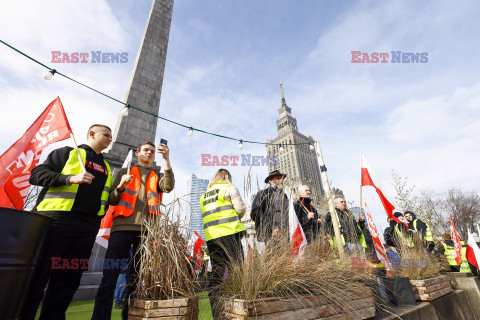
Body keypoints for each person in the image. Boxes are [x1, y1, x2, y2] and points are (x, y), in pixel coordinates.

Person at [20, 124, 113, 320]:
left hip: (87, 230)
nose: (109, 138)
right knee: (39, 275)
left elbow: (106, 198)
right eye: (106, 134)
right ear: (91, 134)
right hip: (56, 222)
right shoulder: (67, 152)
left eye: (110, 136)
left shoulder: (106, 168)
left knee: (68, 281)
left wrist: (119, 189)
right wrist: (70, 178)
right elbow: (36, 175)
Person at [91, 141, 174, 320]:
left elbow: (168, 186)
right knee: (109, 278)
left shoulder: (156, 175)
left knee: (135, 280)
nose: (149, 153)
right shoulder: (125, 171)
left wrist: (166, 160)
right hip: (121, 229)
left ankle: (129, 317)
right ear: (137, 153)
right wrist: (121, 186)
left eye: (152, 151)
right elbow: (111, 200)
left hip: (146, 232)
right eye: (146, 150)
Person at [200, 169, 246, 319]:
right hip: (230, 234)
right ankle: (238, 308)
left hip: (212, 238)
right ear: (227, 177)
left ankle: (216, 310)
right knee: (237, 270)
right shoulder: (229, 187)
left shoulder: (204, 196)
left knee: (217, 274)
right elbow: (240, 209)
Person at [250, 170, 289, 242]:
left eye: (281, 178)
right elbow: (255, 214)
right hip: (271, 235)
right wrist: (272, 227)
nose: (280, 180)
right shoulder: (263, 194)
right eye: (277, 178)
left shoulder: (285, 195)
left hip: (287, 233)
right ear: (270, 181)